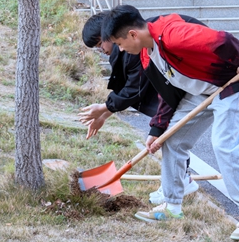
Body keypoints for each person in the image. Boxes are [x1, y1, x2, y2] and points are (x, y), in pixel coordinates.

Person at [102, 4, 239, 241]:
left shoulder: (173, 35)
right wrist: (157, 129)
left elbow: (224, 40)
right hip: (201, 90)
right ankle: (172, 206)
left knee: (223, 145)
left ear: (133, 35)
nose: (122, 50)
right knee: (172, 140)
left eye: (119, 44)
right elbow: (170, 94)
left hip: (232, 85)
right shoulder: (148, 56)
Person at [78, 12, 199, 204]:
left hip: (190, 77)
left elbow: (134, 89)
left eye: (100, 43)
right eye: (96, 47)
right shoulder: (122, 52)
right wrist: (105, 113)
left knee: (171, 136)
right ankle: (181, 180)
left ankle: (180, 183)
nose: (100, 49)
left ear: (110, 33)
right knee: (168, 134)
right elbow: (126, 87)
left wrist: (103, 108)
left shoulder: (133, 47)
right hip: (173, 87)